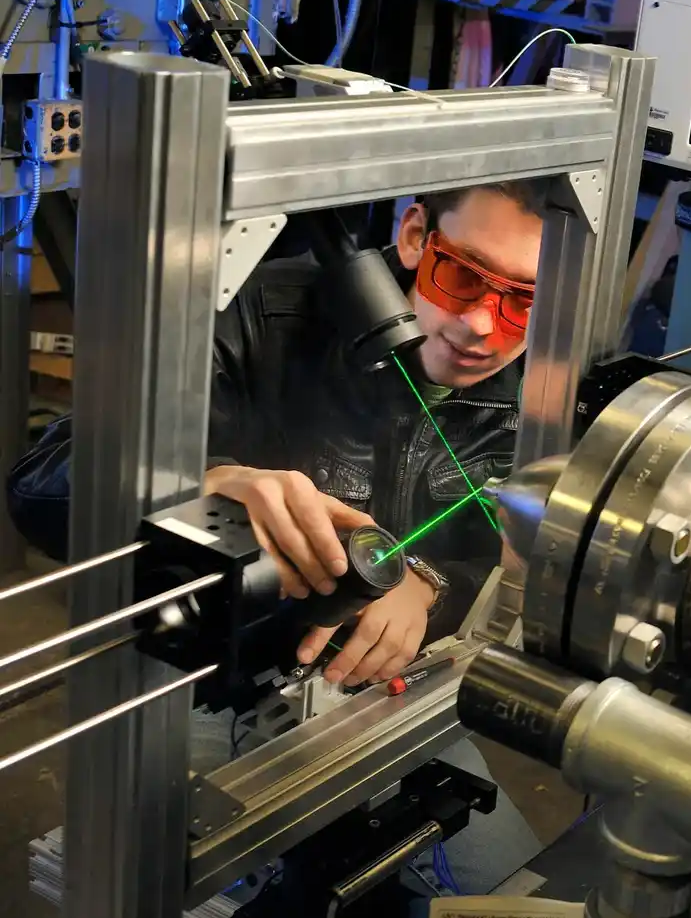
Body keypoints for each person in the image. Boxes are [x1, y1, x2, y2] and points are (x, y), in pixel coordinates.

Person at [7, 180, 544, 690]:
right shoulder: (256, 314)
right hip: (219, 682)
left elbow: (556, 563)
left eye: (525, 301)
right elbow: (40, 483)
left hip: (419, 682)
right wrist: (200, 481)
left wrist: (433, 585)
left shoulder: (553, 391)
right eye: (464, 277)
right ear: (413, 237)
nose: (481, 324)